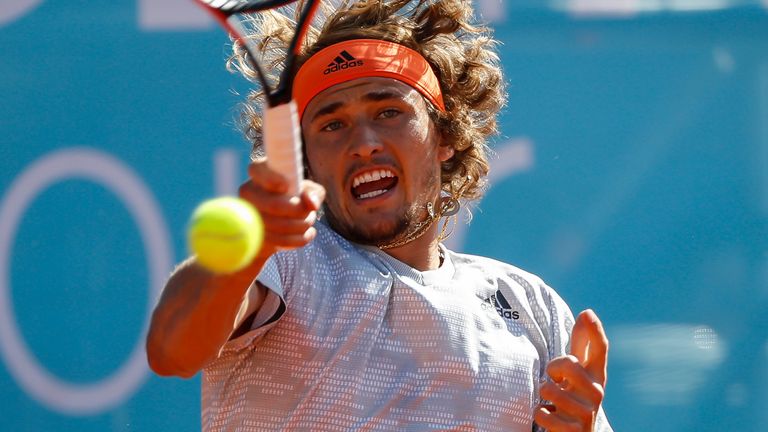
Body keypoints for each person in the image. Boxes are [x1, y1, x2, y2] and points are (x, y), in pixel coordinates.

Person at [146, 1, 613, 431]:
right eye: (332, 124)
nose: (364, 141)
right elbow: (174, 350)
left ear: (445, 137)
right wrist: (247, 250)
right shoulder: (283, 264)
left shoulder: (532, 305)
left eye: (388, 111)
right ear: (307, 161)